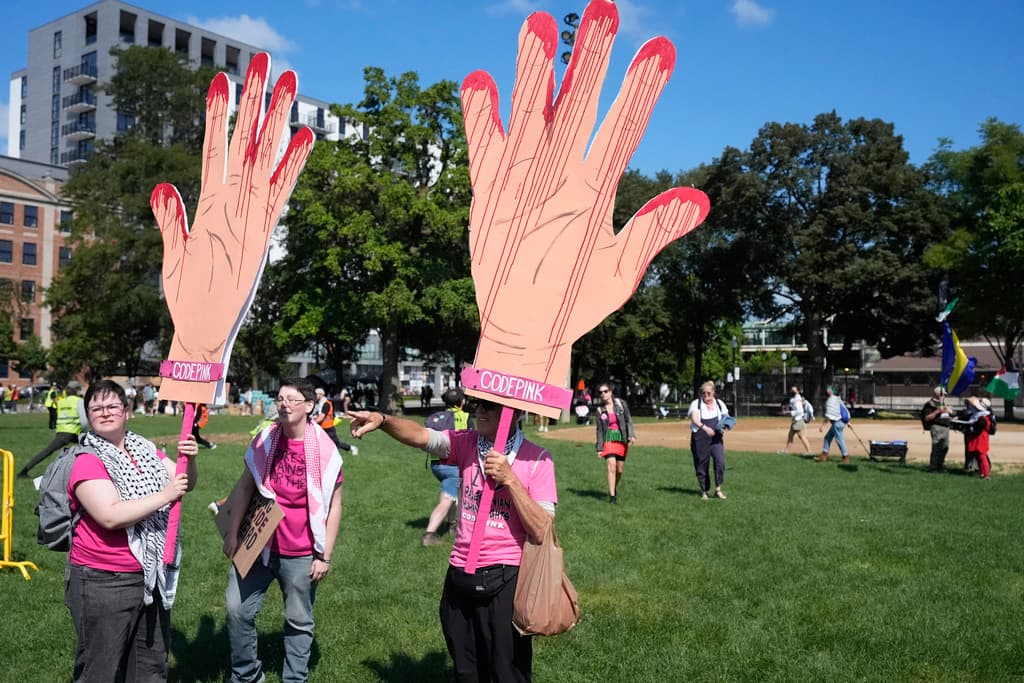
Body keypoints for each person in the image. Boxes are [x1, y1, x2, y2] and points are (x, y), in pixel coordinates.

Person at [348, 398, 557, 682]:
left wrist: (511, 480)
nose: (480, 411)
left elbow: (543, 529)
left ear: (516, 413)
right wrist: (384, 421)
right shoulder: (467, 442)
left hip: (506, 579)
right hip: (459, 576)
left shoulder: (538, 459)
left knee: (507, 673)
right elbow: (423, 437)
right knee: (465, 671)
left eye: (490, 407)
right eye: (478, 405)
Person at [65, 379, 198, 682]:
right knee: (101, 670)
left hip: (150, 576)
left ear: (126, 412)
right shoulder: (86, 460)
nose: (105, 412)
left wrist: (190, 460)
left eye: (112, 405)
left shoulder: (144, 448)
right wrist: (165, 495)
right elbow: (110, 516)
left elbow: (183, 482)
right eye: (96, 407)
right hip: (104, 580)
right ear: (88, 416)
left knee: (150, 670)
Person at [223, 377, 344, 683]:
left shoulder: (326, 451)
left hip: (302, 551)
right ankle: (247, 675)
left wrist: (324, 555)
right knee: (237, 610)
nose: (284, 404)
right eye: (280, 399)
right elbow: (244, 487)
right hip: (258, 543)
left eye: (292, 399)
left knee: (298, 619)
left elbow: (335, 506)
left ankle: (295, 679)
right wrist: (232, 533)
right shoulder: (266, 439)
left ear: (308, 406)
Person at [421, 387, 473, 546]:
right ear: (462, 401)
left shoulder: (435, 417)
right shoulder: (465, 417)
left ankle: (453, 525)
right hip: (453, 467)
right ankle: (429, 534)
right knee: (447, 498)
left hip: (436, 465)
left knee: (451, 495)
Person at [18, 380, 88, 479]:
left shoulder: (62, 401)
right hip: (73, 432)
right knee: (95, 447)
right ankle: (23, 472)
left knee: (47, 451)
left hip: (62, 432)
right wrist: (84, 433)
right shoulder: (79, 401)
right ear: (77, 390)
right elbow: (84, 421)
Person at [595, 383, 636, 504]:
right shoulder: (600, 410)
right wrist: (599, 448)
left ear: (611, 392)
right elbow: (600, 430)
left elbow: (628, 420)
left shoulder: (621, 404)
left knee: (619, 470)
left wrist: (632, 434)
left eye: (605, 391)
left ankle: (614, 488)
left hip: (621, 438)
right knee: (611, 467)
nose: (603, 394)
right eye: (600, 392)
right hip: (609, 439)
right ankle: (612, 497)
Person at [688, 381, 729, 500]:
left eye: (708, 393)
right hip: (700, 438)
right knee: (702, 463)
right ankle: (704, 491)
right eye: (703, 393)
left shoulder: (719, 404)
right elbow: (695, 419)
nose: (706, 395)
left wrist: (725, 425)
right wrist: (705, 428)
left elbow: (726, 417)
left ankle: (718, 489)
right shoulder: (696, 404)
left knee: (720, 462)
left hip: (716, 438)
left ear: (714, 392)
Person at [313, 387, 358, 456]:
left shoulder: (326, 403)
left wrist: (312, 423)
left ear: (321, 394)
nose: (315, 396)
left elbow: (321, 417)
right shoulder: (319, 403)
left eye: (316, 394)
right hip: (322, 426)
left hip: (328, 427)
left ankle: (352, 448)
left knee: (336, 443)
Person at [921, 386, 952, 472]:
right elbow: (927, 418)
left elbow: (946, 415)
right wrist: (937, 411)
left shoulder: (943, 404)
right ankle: (933, 466)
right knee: (937, 447)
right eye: (943, 394)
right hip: (937, 428)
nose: (944, 396)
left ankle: (940, 465)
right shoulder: (930, 404)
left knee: (945, 447)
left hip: (946, 427)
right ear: (937, 394)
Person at [817, 385, 850, 464]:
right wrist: (848, 421)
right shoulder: (837, 399)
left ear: (831, 391)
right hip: (839, 422)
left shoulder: (831, 401)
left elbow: (829, 415)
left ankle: (845, 457)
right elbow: (843, 410)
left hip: (837, 423)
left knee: (840, 440)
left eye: (828, 389)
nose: (826, 389)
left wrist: (822, 426)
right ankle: (824, 455)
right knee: (827, 437)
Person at [963, 396, 994, 478]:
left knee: (982, 456)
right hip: (978, 437)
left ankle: (986, 474)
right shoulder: (980, 416)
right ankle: (982, 472)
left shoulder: (983, 418)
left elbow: (978, 430)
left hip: (981, 438)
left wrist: (971, 430)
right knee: (978, 456)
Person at [782, 386, 812, 454]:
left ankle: (809, 451)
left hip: (798, 419)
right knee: (790, 435)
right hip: (795, 420)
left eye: (794, 390)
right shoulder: (795, 399)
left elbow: (799, 410)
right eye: (791, 390)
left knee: (801, 436)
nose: (792, 392)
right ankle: (786, 451)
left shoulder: (797, 399)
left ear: (798, 391)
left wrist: (789, 412)